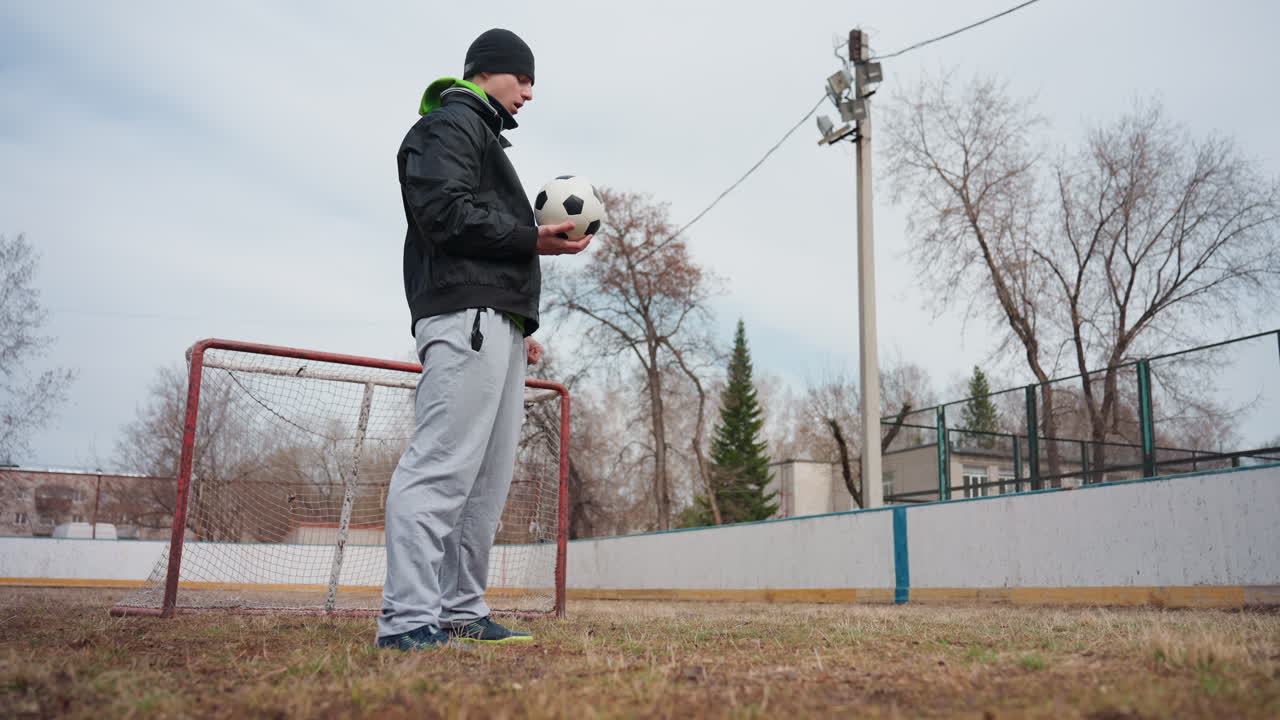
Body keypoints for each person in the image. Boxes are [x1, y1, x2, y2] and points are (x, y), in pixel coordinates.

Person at [377, 28, 591, 651]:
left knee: (485, 482)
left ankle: (461, 609)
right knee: (441, 467)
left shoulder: (483, 136)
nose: (530, 91)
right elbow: (444, 217)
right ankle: (406, 620)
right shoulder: (446, 128)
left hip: (494, 321)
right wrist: (533, 238)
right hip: (463, 317)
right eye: (522, 77)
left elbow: (482, 234)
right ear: (489, 71)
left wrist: (518, 324)